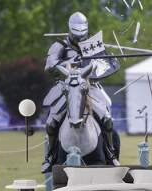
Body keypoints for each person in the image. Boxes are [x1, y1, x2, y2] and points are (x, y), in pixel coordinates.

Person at [41, 12, 119, 173]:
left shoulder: (94, 45)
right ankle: (50, 156)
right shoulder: (59, 46)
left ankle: (110, 153)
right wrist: (70, 63)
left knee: (107, 119)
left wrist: (97, 65)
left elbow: (110, 63)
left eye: (82, 35)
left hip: (90, 86)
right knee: (51, 122)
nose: (79, 39)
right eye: (76, 35)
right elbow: (50, 65)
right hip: (66, 87)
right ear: (70, 31)